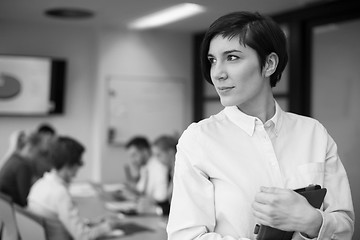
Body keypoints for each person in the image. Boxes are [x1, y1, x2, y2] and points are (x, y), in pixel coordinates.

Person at [167, 11, 354, 240]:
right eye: (212, 60)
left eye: (232, 57)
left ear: (269, 64)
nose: (217, 73)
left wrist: (311, 222)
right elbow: (186, 236)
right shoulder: (198, 139)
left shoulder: (313, 133)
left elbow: (345, 225)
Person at [27, 136, 122, 240]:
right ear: (69, 165)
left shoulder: (39, 184)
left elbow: (59, 221)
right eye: (79, 163)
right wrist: (107, 227)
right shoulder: (60, 193)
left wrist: (92, 223)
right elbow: (83, 236)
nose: (80, 168)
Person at [0, 132, 51, 207]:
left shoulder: (13, 159)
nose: (38, 156)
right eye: (38, 151)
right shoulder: (23, 166)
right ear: (30, 147)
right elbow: (25, 199)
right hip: (16, 210)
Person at [137, 135, 177, 216]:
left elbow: (178, 206)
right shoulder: (169, 171)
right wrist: (153, 202)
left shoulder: (181, 173)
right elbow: (168, 202)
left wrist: (157, 210)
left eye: (159, 155)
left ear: (171, 152)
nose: (157, 159)